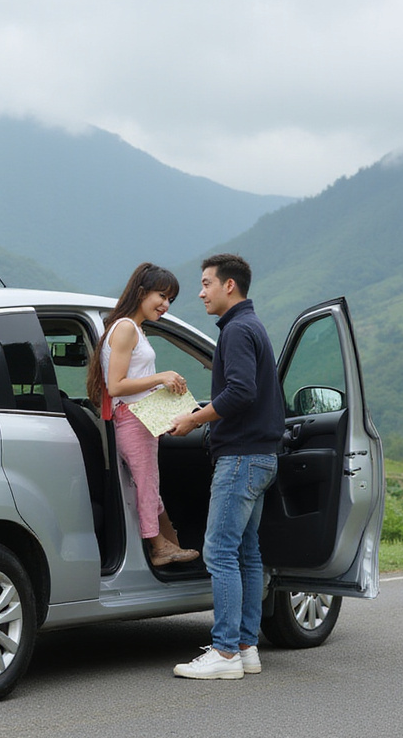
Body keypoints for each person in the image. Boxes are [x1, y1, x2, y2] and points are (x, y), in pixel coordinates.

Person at [168, 253, 285, 680]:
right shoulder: (252, 326)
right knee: (247, 553)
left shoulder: (236, 330)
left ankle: (225, 653)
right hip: (262, 456)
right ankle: (246, 646)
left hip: (239, 458)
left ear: (228, 286)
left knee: (218, 551)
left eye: (205, 284)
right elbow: (245, 392)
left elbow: (239, 392)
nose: (200, 292)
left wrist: (193, 419)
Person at [86, 263, 200, 567]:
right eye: (161, 296)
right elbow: (117, 385)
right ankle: (159, 548)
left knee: (147, 484)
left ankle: (169, 543)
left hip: (142, 418)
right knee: (147, 484)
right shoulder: (125, 328)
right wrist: (160, 378)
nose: (165, 305)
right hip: (133, 419)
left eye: (170, 300)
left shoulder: (133, 328)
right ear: (141, 292)